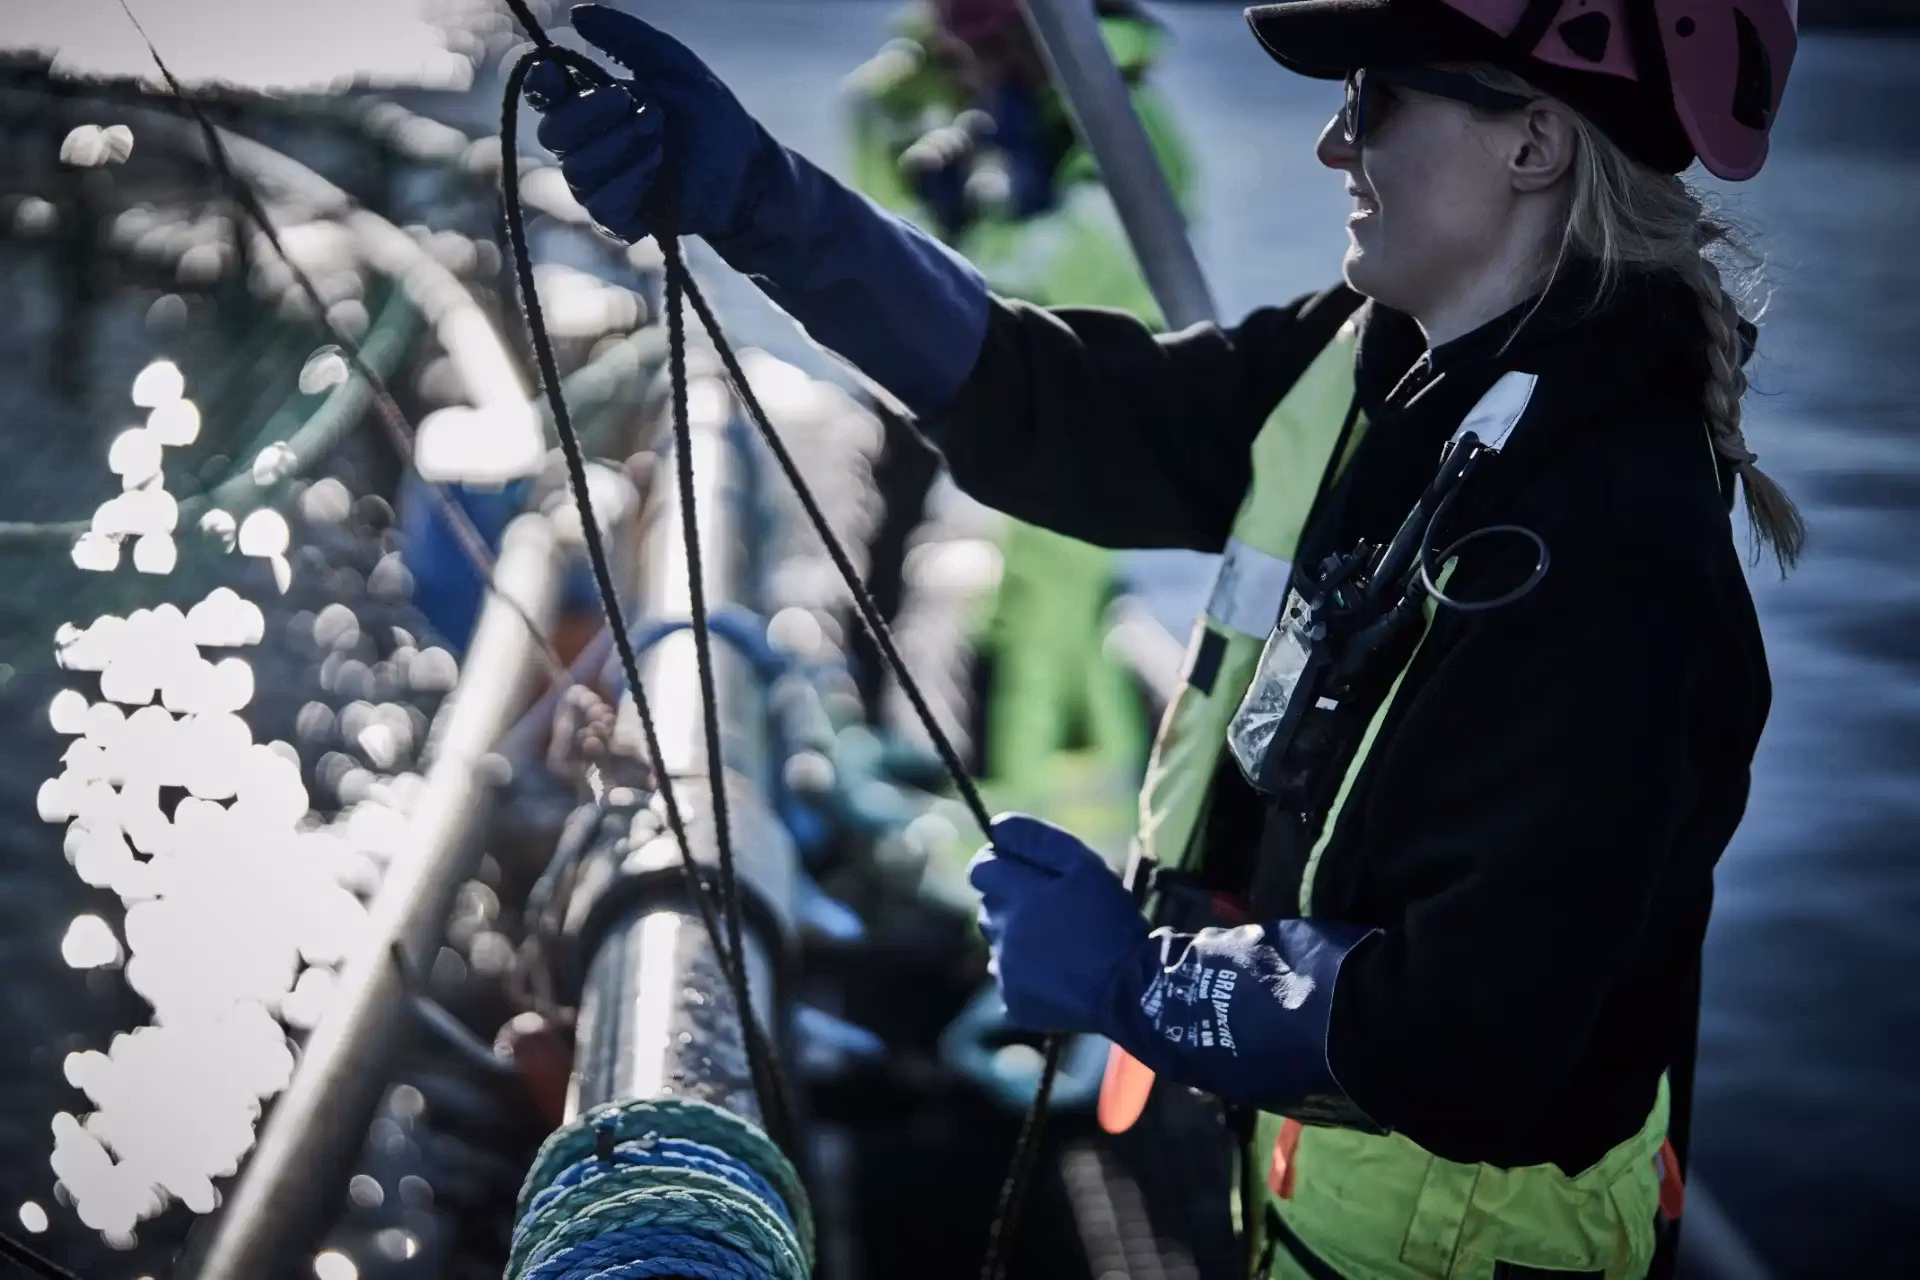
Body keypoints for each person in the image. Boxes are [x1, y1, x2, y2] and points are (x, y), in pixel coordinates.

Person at [525, 1, 1802, 1276]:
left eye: (1376, 98)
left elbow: (1471, 1040)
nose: (1332, 144)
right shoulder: (1386, 367)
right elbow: (1065, 403)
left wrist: (1139, 978)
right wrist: (756, 200)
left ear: (1535, 141)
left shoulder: (1612, 544)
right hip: (1314, 1205)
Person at [841, 0, 1195, 861]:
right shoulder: (1022, 108)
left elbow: (1057, 268)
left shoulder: (1114, 118)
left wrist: (966, 228)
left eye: (989, 49)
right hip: (1043, 397)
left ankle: (1019, 842)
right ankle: (1080, 825)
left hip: (1097, 407)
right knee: (1028, 619)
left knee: (1042, 629)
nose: (974, 67)